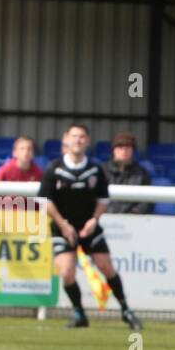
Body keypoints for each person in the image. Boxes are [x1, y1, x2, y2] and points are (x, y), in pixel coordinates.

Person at [39, 123, 144, 330]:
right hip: (63, 228)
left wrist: (94, 220)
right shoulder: (54, 168)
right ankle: (79, 313)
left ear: (87, 141)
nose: (77, 140)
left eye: (82, 137)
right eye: (74, 136)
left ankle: (125, 309)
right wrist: (63, 224)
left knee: (106, 267)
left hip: (89, 227)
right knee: (67, 272)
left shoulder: (95, 169)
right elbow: (45, 202)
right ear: (66, 140)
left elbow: (103, 200)